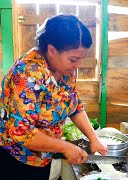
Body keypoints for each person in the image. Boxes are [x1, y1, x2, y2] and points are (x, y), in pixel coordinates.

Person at [0, 14, 107, 179]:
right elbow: (22, 132)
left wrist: (94, 138)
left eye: (81, 59)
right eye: (73, 59)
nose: (78, 65)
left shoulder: (66, 70)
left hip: (43, 156)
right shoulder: (28, 74)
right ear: (51, 50)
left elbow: (74, 105)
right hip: (16, 160)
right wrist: (65, 147)